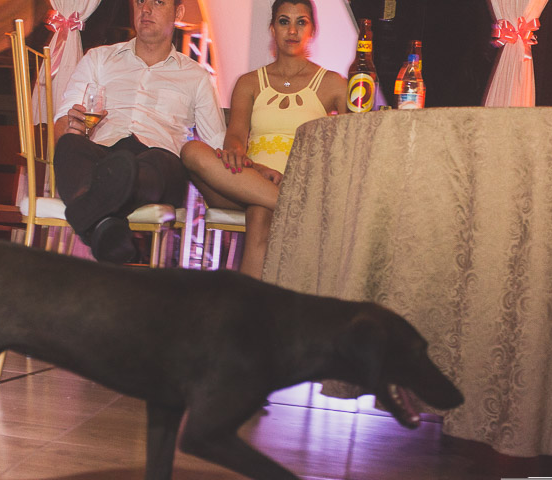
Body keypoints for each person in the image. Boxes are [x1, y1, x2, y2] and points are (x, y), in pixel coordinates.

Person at [181, 0, 347, 278]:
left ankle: (250, 303)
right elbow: (235, 137)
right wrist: (251, 165)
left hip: (299, 181)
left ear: (313, 31)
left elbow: (350, 141)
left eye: (301, 22)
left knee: (260, 210)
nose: (292, 30)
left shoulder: (334, 83)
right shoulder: (248, 82)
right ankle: (294, 206)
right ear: (272, 29)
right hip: (248, 179)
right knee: (191, 151)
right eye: (284, 21)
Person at [53, 0, 225, 263]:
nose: (146, 9)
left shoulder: (196, 77)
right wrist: (72, 126)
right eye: (140, 1)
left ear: (178, 13)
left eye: (158, 2)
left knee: (154, 162)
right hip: (103, 156)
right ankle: (107, 227)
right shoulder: (98, 59)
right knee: (69, 145)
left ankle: (93, 220)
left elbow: (216, 145)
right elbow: (62, 123)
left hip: (159, 163)